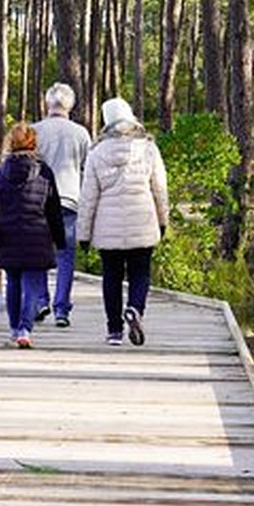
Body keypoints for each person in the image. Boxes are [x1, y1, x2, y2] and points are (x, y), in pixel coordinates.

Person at [76, 97, 170, 347]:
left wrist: (83, 234)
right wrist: (163, 220)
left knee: (111, 277)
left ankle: (114, 331)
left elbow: (88, 197)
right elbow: (160, 189)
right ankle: (135, 308)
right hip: (143, 219)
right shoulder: (148, 148)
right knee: (140, 273)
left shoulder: (96, 153)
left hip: (108, 226)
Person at [0, 122, 67, 349]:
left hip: (8, 237)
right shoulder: (44, 171)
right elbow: (53, 210)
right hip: (37, 236)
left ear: (9, 144)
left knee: (12, 283)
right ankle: (25, 329)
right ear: (33, 143)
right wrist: (59, 240)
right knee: (31, 285)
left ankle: (14, 328)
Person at [32, 82, 91, 328]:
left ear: (48, 103)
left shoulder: (34, 131)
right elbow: (88, 170)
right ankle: (61, 310)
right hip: (69, 201)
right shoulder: (81, 133)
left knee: (37, 255)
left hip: (38, 201)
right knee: (65, 257)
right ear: (70, 105)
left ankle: (40, 300)